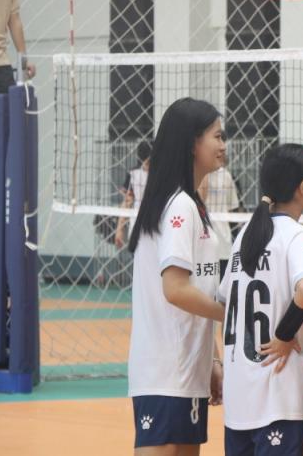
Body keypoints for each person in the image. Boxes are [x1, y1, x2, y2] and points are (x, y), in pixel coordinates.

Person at [126, 97, 226, 453]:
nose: (223, 145)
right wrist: (232, 314)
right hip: (166, 373)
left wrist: (212, 358)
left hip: (186, 371)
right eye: (217, 136)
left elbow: (196, 287)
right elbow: (176, 289)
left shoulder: (189, 202)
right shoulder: (179, 205)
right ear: (192, 143)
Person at [219, 144, 303, 455]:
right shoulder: (297, 236)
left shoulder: (245, 236)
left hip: (239, 395)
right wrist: (284, 334)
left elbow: (225, 301)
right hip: (277, 392)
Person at [199, 160, 243, 278]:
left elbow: (233, 209)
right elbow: (199, 201)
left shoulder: (225, 175)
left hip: (223, 243)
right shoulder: (197, 174)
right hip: (202, 241)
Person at [115, 140, 152, 249]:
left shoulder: (161, 174)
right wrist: (119, 229)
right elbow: (127, 201)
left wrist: (119, 229)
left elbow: (127, 201)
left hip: (155, 223)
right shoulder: (134, 173)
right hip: (138, 222)